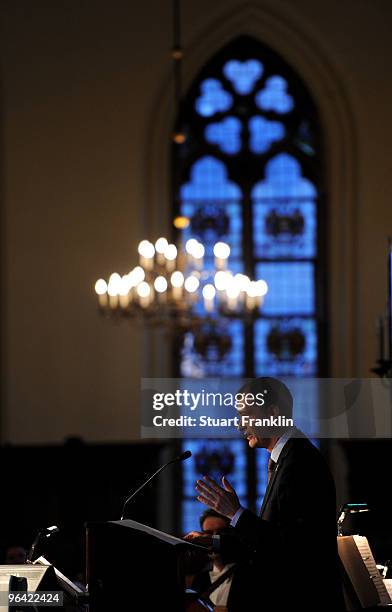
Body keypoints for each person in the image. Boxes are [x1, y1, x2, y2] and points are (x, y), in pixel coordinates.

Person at [193, 377, 344, 612]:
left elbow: (291, 548)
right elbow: (269, 538)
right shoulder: (288, 457)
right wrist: (213, 542)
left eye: (247, 415)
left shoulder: (300, 462)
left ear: (273, 413)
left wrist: (236, 513)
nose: (240, 425)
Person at [188, 509, 237, 609]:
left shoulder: (248, 574)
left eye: (220, 533)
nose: (213, 539)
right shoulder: (200, 579)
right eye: (209, 534)